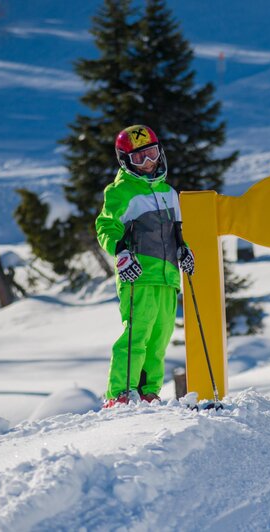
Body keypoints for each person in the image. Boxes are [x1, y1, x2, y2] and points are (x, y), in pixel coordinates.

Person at [96, 125, 195, 408]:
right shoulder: (122, 192)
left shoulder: (170, 193)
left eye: (151, 153)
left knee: (160, 337)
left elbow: (176, 233)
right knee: (137, 332)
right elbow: (105, 226)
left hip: (167, 275)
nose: (148, 162)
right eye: (139, 158)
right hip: (137, 272)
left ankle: (149, 391)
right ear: (126, 161)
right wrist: (121, 251)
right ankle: (121, 392)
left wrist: (183, 250)